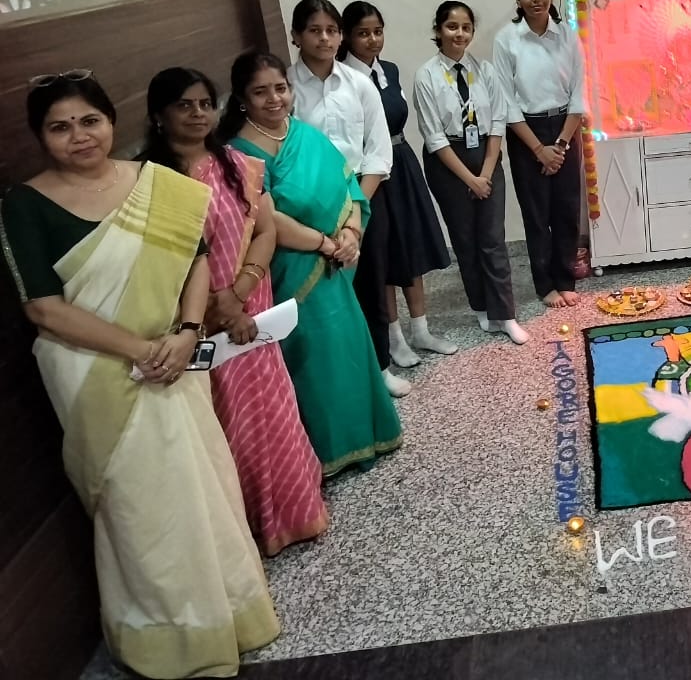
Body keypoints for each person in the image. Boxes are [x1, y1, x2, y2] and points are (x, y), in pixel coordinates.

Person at [0, 72, 278, 678]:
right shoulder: (24, 204)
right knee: (140, 508)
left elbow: (198, 260)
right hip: (97, 373)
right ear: (40, 137)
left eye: (89, 121)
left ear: (111, 122)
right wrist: (143, 349)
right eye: (60, 127)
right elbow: (43, 308)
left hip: (176, 357)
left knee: (203, 484)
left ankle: (233, 613)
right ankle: (167, 638)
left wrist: (185, 333)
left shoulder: (156, 182)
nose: (79, 136)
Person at [145, 66, 329, 556]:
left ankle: (296, 509)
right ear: (159, 115)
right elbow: (161, 261)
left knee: (275, 407)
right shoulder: (150, 181)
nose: (198, 114)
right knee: (231, 420)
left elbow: (265, 230)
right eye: (184, 105)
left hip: (253, 306)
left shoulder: (236, 164)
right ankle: (250, 527)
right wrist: (218, 306)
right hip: (198, 319)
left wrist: (240, 290)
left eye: (205, 104)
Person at [220, 52, 403, 477]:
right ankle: (328, 452)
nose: (274, 99)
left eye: (280, 88)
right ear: (242, 99)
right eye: (260, 92)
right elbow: (268, 222)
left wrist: (351, 232)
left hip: (337, 265)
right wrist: (325, 243)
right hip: (292, 269)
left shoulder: (304, 134)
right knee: (313, 361)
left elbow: (346, 183)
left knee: (349, 348)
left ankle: (368, 436)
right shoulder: (239, 154)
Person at [286, 0, 407, 397]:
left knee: (371, 285)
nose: (325, 38)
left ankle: (380, 368)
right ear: (296, 36)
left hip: (364, 195)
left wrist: (357, 211)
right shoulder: (285, 88)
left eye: (332, 31)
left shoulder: (359, 84)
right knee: (325, 295)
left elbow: (378, 152)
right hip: (309, 204)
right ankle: (337, 379)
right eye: (314, 30)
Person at [338, 1, 457, 367]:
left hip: (401, 162)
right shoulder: (344, 77)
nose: (373, 40)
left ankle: (421, 329)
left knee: (412, 245)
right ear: (347, 37)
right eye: (363, 33)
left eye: (378, 31)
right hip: (369, 173)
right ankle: (394, 338)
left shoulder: (388, 70)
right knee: (383, 255)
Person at [414, 1, 529, 345]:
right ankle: (481, 307)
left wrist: (487, 173)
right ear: (438, 30)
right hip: (449, 162)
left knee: (493, 239)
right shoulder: (426, 76)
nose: (459, 33)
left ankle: (506, 314)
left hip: (486, 158)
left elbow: (497, 121)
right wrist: (470, 179)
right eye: (452, 26)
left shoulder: (485, 70)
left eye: (466, 27)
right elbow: (433, 136)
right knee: (465, 240)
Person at [492, 0, 585, 308]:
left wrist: (559, 145)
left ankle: (566, 278)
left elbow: (579, 92)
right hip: (525, 132)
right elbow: (506, 100)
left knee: (567, 210)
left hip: (565, 128)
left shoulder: (567, 36)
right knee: (536, 214)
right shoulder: (506, 40)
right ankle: (545, 284)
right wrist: (538, 149)